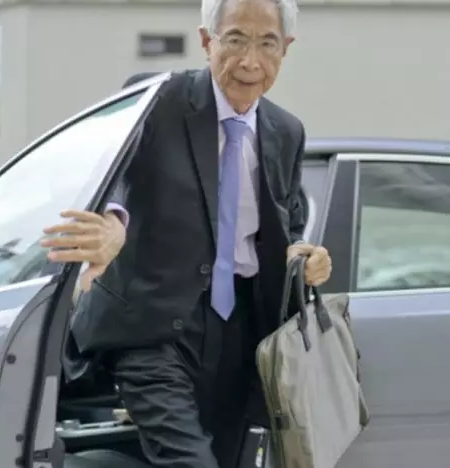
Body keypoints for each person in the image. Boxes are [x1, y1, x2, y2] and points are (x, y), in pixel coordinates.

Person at [43, 0, 333, 465]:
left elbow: (288, 223)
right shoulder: (158, 99)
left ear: (286, 48)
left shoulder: (286, 131)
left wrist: (305, 256)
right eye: (235, 40)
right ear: (206, 41)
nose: (250, 61)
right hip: (152, 327)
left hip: (241, 333)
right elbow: (111, 172)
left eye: (267, 43)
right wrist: (114, 222)